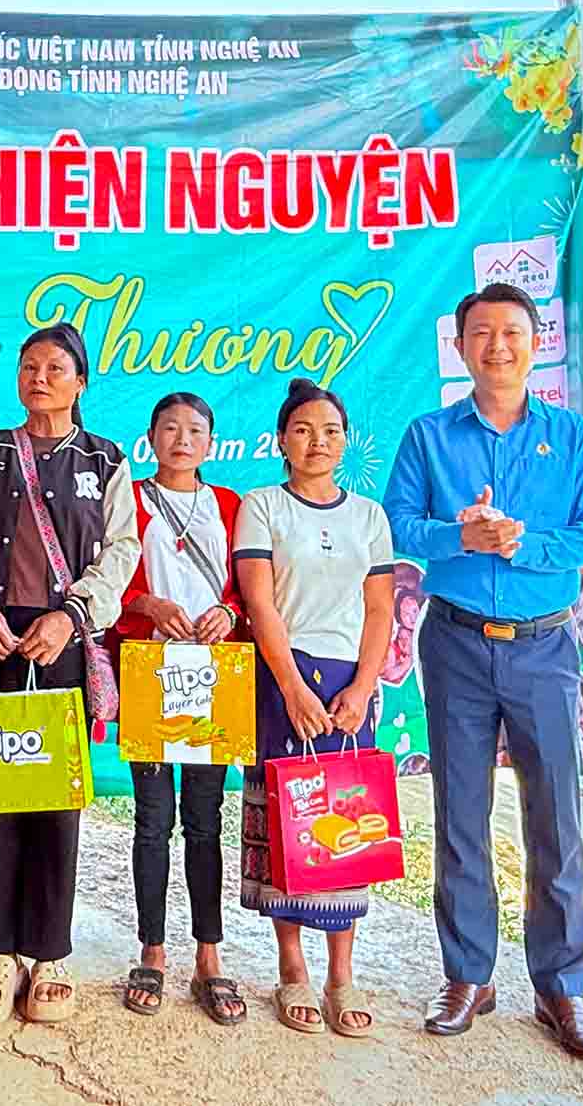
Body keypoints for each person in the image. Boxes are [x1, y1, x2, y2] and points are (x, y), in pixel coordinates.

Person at [384, 282, 583, 1059]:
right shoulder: (429, 436)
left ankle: (562, 986)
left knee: (556, 817)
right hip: (454, 643)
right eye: (481, 333)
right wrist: (464, 535)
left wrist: (525, 545)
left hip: (547, 648)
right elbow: (400, 526)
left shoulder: (573, 438)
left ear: (534, 340)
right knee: (459, 813)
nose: (497, 346)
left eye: (512, 332)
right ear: (460, 346)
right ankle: (468, 977)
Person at [0, 321, 139, 1025]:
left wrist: (72, 617)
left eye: (56, 367)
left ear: (81, 382)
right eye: (29, 365)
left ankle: (49, 952)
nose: (39, 377)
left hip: (63, 640)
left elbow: (121, 551)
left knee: (55, 800)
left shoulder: (106, 460)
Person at [233, 377, 396, 1038]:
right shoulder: (263, 506)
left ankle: (341, 975)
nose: (317, 442)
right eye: (303, 430)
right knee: (287, 823)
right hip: (282, 678)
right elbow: (259, 603)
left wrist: (361, 687)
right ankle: (292, 968)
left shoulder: (369, 517)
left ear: (345, 440)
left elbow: (382, 607)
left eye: (330, 431)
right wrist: (294, 688)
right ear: (282, 440)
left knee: (348, 825)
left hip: (352, 687)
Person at [106, 392, 248, 1024]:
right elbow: (110, 581)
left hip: (213, 677)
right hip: (151, 671)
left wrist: (231, 612)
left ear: (210, 443)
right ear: (151, 437)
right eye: (170, 428)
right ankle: (154, 951)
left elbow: (249, 585)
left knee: (205, 817)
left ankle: (209, 956)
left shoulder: (231, 506)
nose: (182, 439)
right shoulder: (130, 501)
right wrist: (147, 606)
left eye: (195, 430)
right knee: (151, 818)